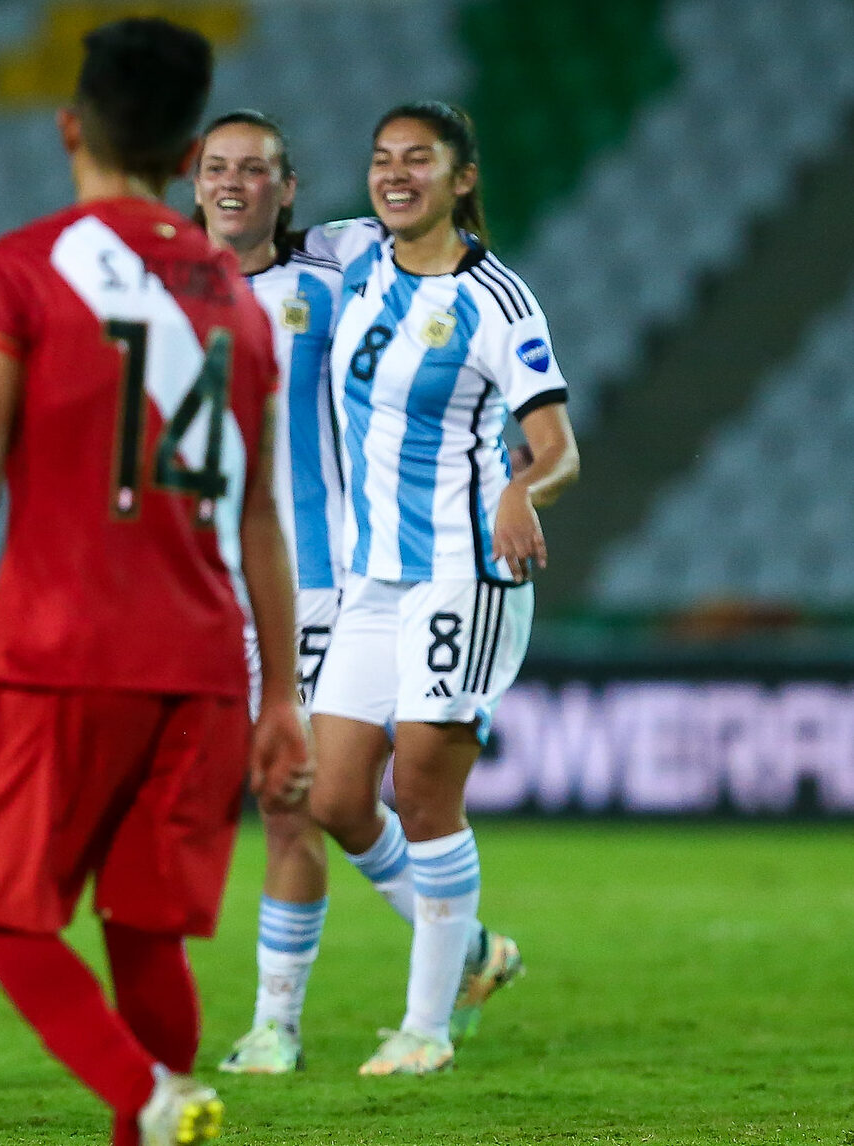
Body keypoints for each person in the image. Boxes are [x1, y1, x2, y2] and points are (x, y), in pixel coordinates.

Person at [0, 19, 310, 1146]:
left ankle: (145, 1095)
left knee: (0, 917)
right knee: (145, 936)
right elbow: (258, 515)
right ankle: (154, 1113)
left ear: (68, 124)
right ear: (190, 156)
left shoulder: (23, 266)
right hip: (203, 668)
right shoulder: (239, 303)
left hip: (61, 654)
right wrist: (278, 694)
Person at [301, 101, 578, 1075]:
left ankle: (423, 1029)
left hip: (465, 569)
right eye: (381, 158)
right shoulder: (355, 253)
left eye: (418, 159)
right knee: (331, 796)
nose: (394, 173)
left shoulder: (496, 301)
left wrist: (518, 486)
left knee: (420, 785)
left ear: (460, 179)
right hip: (372, 579)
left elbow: (555, 449)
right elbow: (256, 233)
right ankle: (470, 951)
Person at [187, 111, 349, 1074]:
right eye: (217, 167)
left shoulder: (332, 282)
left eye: (257, 169)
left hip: (311, 585)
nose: (235, 182)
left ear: (288, 189)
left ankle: (275, 1025)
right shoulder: (159, 295)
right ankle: (457, 931)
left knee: (292, 802)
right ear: (194, 180)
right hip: (191, 592)